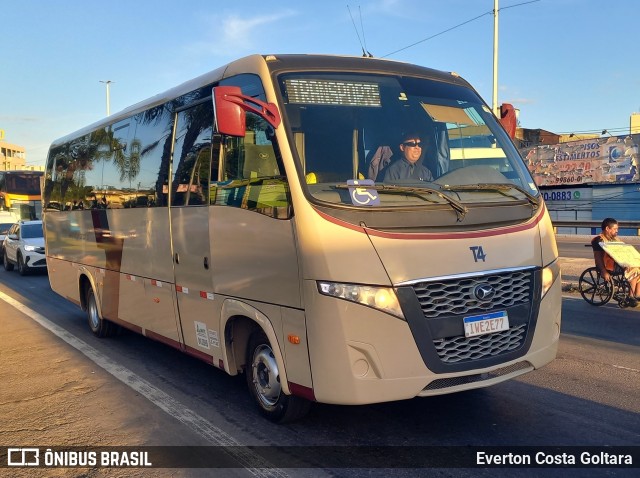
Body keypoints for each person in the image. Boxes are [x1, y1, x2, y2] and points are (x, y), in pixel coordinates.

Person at [591, 217, 640, 305]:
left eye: (617, 229)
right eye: (615, 229)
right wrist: (603, 271)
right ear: (607, 228)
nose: (617, 231)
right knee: (634, 269)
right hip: (609, 266)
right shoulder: (598, 240)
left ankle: (637, 294)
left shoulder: (615, 239)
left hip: (620, 262)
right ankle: (630, 296)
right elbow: (598, 257)